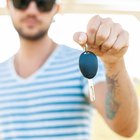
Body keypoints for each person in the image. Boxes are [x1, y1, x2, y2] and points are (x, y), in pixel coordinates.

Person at [0, 0, 138, 139]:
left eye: (43, 4)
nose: (32, 10)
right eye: (21, 2)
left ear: (56, 9)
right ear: (8, 5)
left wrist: (114, 63)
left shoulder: (80, 63)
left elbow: (126, 127)